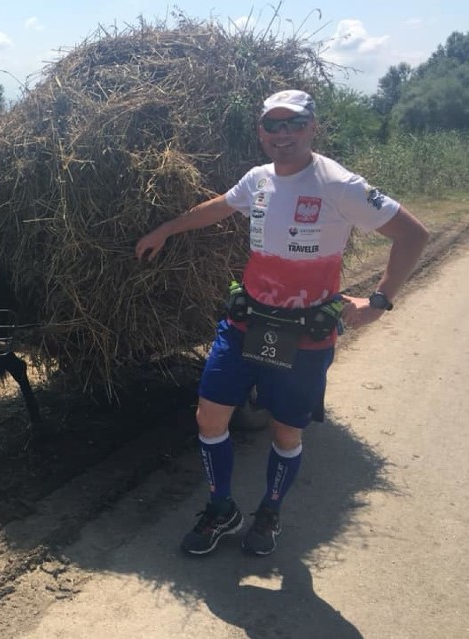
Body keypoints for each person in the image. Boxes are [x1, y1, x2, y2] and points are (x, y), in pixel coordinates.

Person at [134, 89, 429, 556]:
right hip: (247, 321)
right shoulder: (258, 178)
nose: (282, 133)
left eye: (293, 123)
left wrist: (379, 301)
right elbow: (220, 205)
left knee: (286, 431)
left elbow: (413, 234)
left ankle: (269, 513)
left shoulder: (339, 184)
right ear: (261, 132)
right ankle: (222, 510)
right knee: (208, 418)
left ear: (313, 127)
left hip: (305, 336)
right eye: (273, 124)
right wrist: (166, 229)